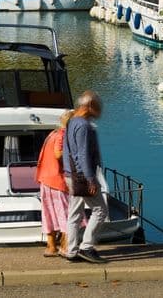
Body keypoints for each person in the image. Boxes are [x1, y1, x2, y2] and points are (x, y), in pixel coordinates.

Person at [63, 91, 108, 264]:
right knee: (100, 210)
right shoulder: (83, 126)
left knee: (74, 214)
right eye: (98, 106)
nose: (100, 111)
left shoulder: (72, 121)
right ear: (89, 106)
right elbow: (82, 154)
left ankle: (71, 250)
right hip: (81, 176)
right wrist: (90, 179)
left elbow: (70, 152)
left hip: (71, 174)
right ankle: (86, 247)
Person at [34, 112, 71, 257]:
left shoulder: (52, 133)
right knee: (65, 213)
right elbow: (58, 154)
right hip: (57, 179)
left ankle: (51, 247)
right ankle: (66, 246)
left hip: (45, 178)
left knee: (49, 213)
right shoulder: (62, 135)